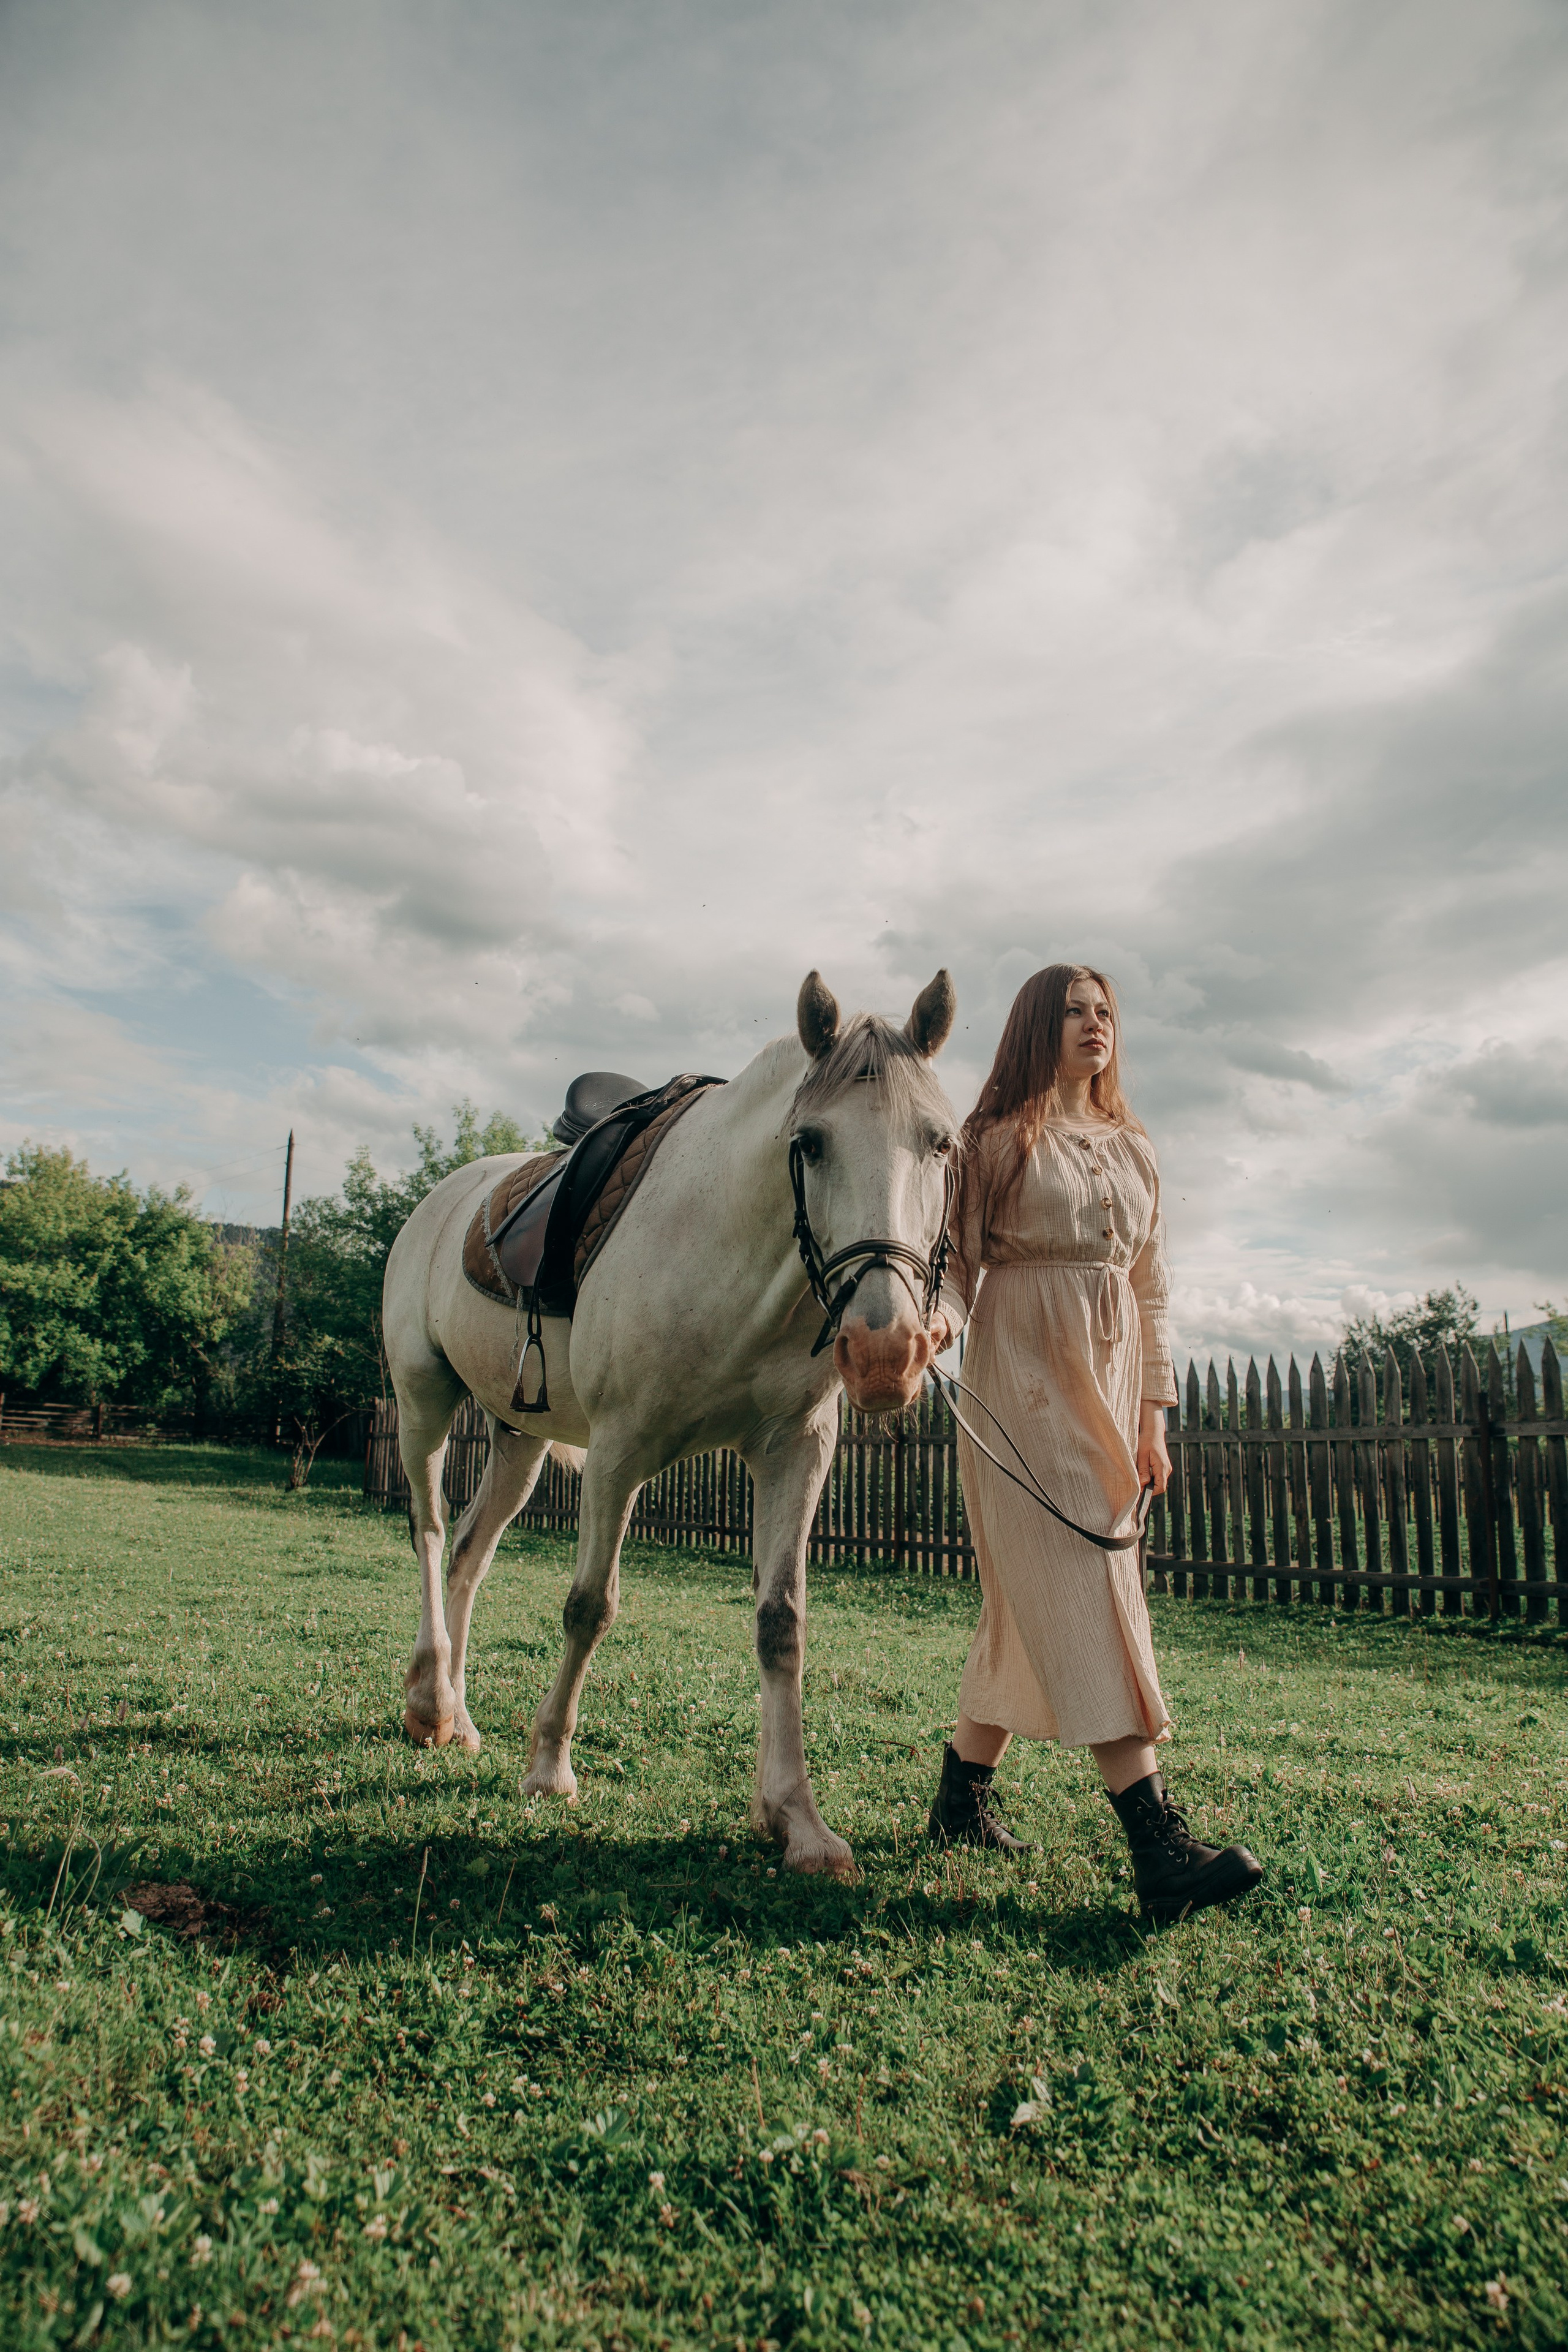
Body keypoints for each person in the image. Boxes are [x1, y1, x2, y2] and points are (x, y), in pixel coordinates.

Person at [925, 963, 1262, 1923]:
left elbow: (1152, 1286)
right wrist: (940, 1327)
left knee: (1026, 1603)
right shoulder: (990, 1142)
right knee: (1084, 1580)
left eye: (1105, 1012)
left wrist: (1154, 1418)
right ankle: (1158, 1851)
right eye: (1074, 1011)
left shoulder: (1134, 1147)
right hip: (1022, 1378)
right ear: (1037, 1026)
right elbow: (954, 1268)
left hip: (1111, 1390)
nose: (1094, 1025)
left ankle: (960, 1799)